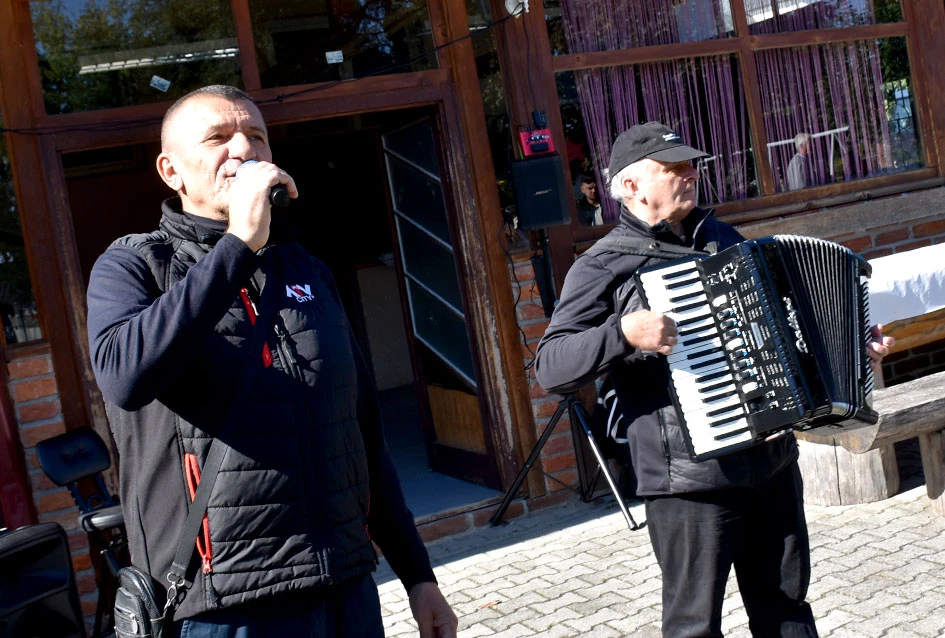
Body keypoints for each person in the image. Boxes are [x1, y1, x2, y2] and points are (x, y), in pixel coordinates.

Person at [86, 85, 458, 638]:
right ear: (171, 171)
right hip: (225, 605)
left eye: (256, 136)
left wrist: (418, 576)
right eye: (218, 137)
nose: (244, 149)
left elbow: (359, 433)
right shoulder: (134, 266)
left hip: (344, 587)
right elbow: (125, 376)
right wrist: (239, 242)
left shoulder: (304, 269)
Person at [533, 121, 893, 638]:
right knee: (693, 626)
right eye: (673, 167)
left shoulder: (721, 237)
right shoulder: (601, 266)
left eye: (692, 164)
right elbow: (551, 364)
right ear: (631, 186)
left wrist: (852, 352)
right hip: (687, 483)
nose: (690, 173)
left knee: (786, 607)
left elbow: (779, 331)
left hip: (769, 462)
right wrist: (623, 333)